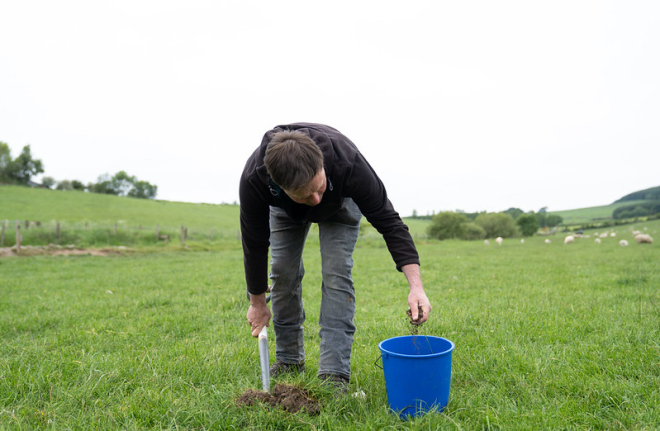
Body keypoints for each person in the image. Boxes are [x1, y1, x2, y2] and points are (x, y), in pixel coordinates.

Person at [240, 123, 431, 392]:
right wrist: (257, 303)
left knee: (336, 274)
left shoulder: (348, 163)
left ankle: (334, 372)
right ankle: (289, 359)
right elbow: (254, 243)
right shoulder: (254, 179)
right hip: (284, 210)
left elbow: (389, 222)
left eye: (319, 187)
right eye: (307, 195)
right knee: (282, 271)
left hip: (341, 199)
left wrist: (416, 287)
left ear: (322, 166)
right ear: (278, 185)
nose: (316, 200)